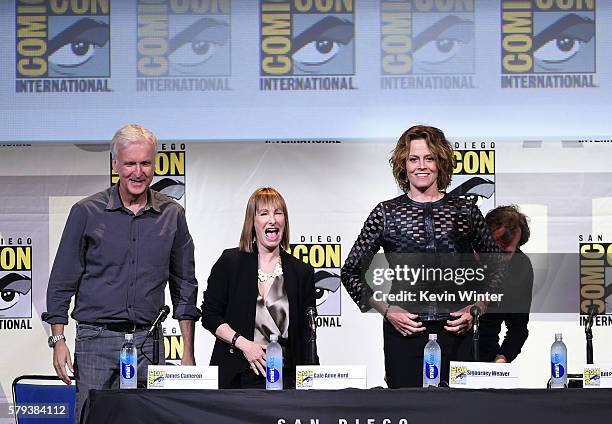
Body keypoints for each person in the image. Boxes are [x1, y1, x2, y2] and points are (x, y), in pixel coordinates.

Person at [42, 124, 200, 421]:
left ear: (155, 164)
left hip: (149, 344)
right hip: (95, 342)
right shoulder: (86, 212)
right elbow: (62, 280)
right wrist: (58, 340)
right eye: (130, 163)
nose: (137, 172)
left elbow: (184, 286)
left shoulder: (172, 215)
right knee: (93, 418)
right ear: (115, 164)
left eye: (145, 163)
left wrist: (187, 352)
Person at [341, 125, 503, 388]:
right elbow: (350, 271)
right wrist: (388, 310)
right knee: (406, 413)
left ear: (441, 162)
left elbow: (498, 267)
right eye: (413, 159)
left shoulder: (465, 210)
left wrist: (478, 306)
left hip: (457, 331)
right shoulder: (386, 213)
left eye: (429, 158)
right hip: (404, 332)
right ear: (403, 165)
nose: (421, 166)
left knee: (459, 416)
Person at [201, 187, 317, 389]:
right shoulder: (230, 262)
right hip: (235, 379)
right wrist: (245, 345)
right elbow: (210, 315)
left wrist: (313, 385)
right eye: (264, 213)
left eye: (278, 213)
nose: (272, 220)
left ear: (285, 221)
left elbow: (307, 337)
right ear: (252, 222)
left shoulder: (302, 272)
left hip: (285, 381)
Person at [479, 205, 533, 363]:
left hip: (486, 357)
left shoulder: (520, 267)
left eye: (505, 253)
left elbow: (518, 327)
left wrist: (502, 357)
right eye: (492, 248)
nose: (496, 256)